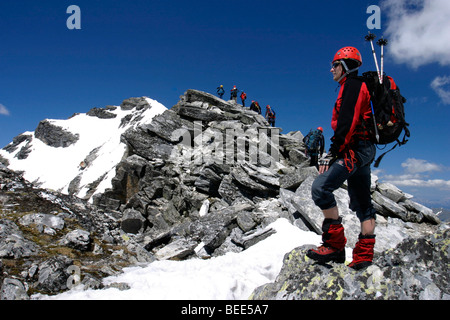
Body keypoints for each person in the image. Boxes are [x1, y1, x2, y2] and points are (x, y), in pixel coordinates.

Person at [307, 46, 377, 270]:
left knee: (320, 188)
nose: (331, 69)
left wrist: (333, 152)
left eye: (335, 64)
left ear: (346, 66)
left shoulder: (353, 86)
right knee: (362, 202)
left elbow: (347, 121)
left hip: (355, 150)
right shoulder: (353, 87)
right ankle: (364, 256)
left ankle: (335, 246)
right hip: (363, 150)